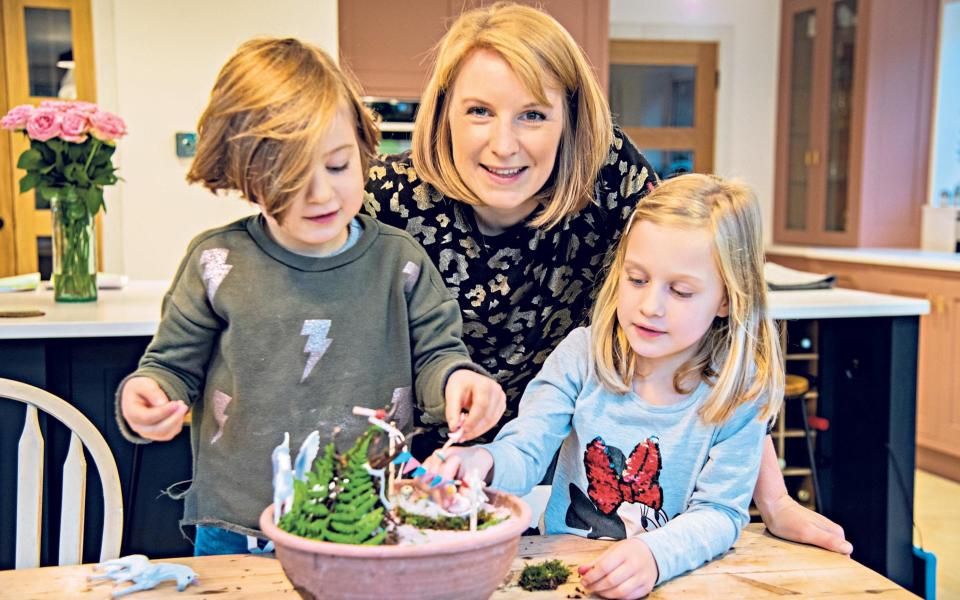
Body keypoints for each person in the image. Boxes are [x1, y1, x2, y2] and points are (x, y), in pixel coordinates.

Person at [363, 2, 852, 555]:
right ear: (443, 110)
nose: (504, 144)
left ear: (570, 119)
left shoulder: (610, 176)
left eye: (533, 115)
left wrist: (775, 500)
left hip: (563, 464)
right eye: (479, 111)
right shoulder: (385, 198)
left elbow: (712, 311)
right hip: (426, 461)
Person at [115, 38, 505, 556]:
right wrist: (147, 394)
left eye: (339, 167)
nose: (320, 194)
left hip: (367, 519)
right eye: (291, 178)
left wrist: (460, 381)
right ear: (243, 173)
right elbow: (170, 367)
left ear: (364, 148)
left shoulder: (399, 262)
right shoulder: (216, 262)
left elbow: (437, 356)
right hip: (238, 525)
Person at [426, 174, 782, 597]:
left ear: (727, 299)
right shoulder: (581, 355)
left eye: (681, 291)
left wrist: (653, 556)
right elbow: (526, 448)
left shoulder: (740, 391)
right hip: (566, 577)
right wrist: (482, 463)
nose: (651, 306)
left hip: (674, 583)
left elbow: (721, 512)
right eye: (637, 279)